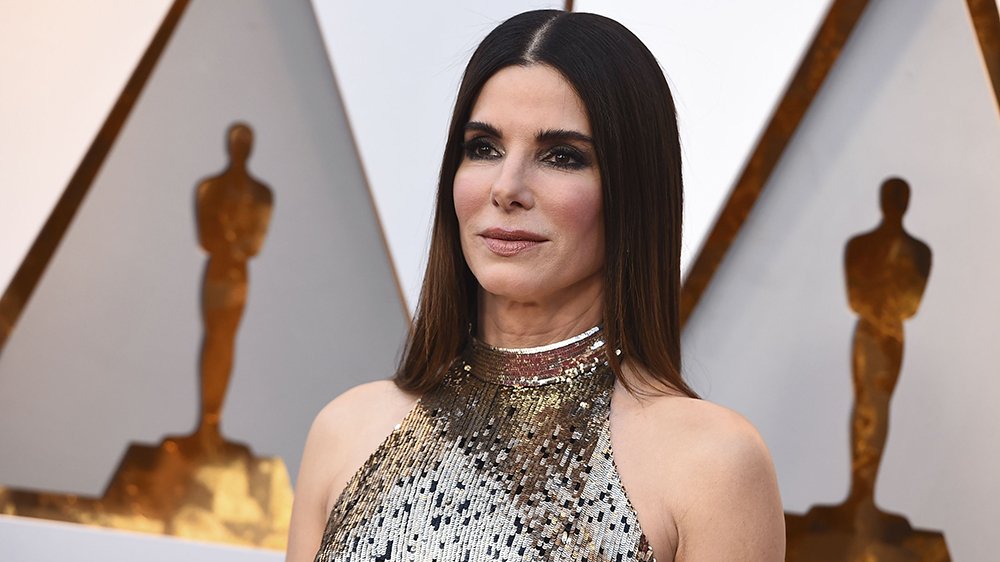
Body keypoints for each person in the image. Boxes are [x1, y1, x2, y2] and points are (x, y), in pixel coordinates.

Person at [287, 10, 784, 561]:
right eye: (484, 148)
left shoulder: (712, 464)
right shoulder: (346, 430)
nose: (507, 188)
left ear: (633, 190)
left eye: (562, 157)